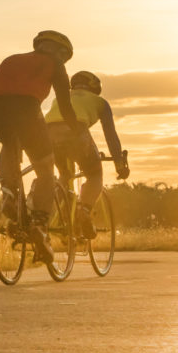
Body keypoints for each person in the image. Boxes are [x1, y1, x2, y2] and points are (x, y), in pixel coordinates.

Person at [0, 30, 83, 264]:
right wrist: (76, 131)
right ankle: (39, 224)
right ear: (60, 52)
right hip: (27, 108)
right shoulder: (55, 64)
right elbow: (65, 105)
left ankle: (9, 192)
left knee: (9, 142)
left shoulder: (12, 59)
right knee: (46, 170)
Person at [45, 70, 130, 239]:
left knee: (65, 175)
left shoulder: (60, 98)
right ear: (94, 87)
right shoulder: (100, 102)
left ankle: (48, 214)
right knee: (94, 174)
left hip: (48, 133)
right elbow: (110, 135)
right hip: (76, 132)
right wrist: (119, 164)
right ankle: (83, 212)